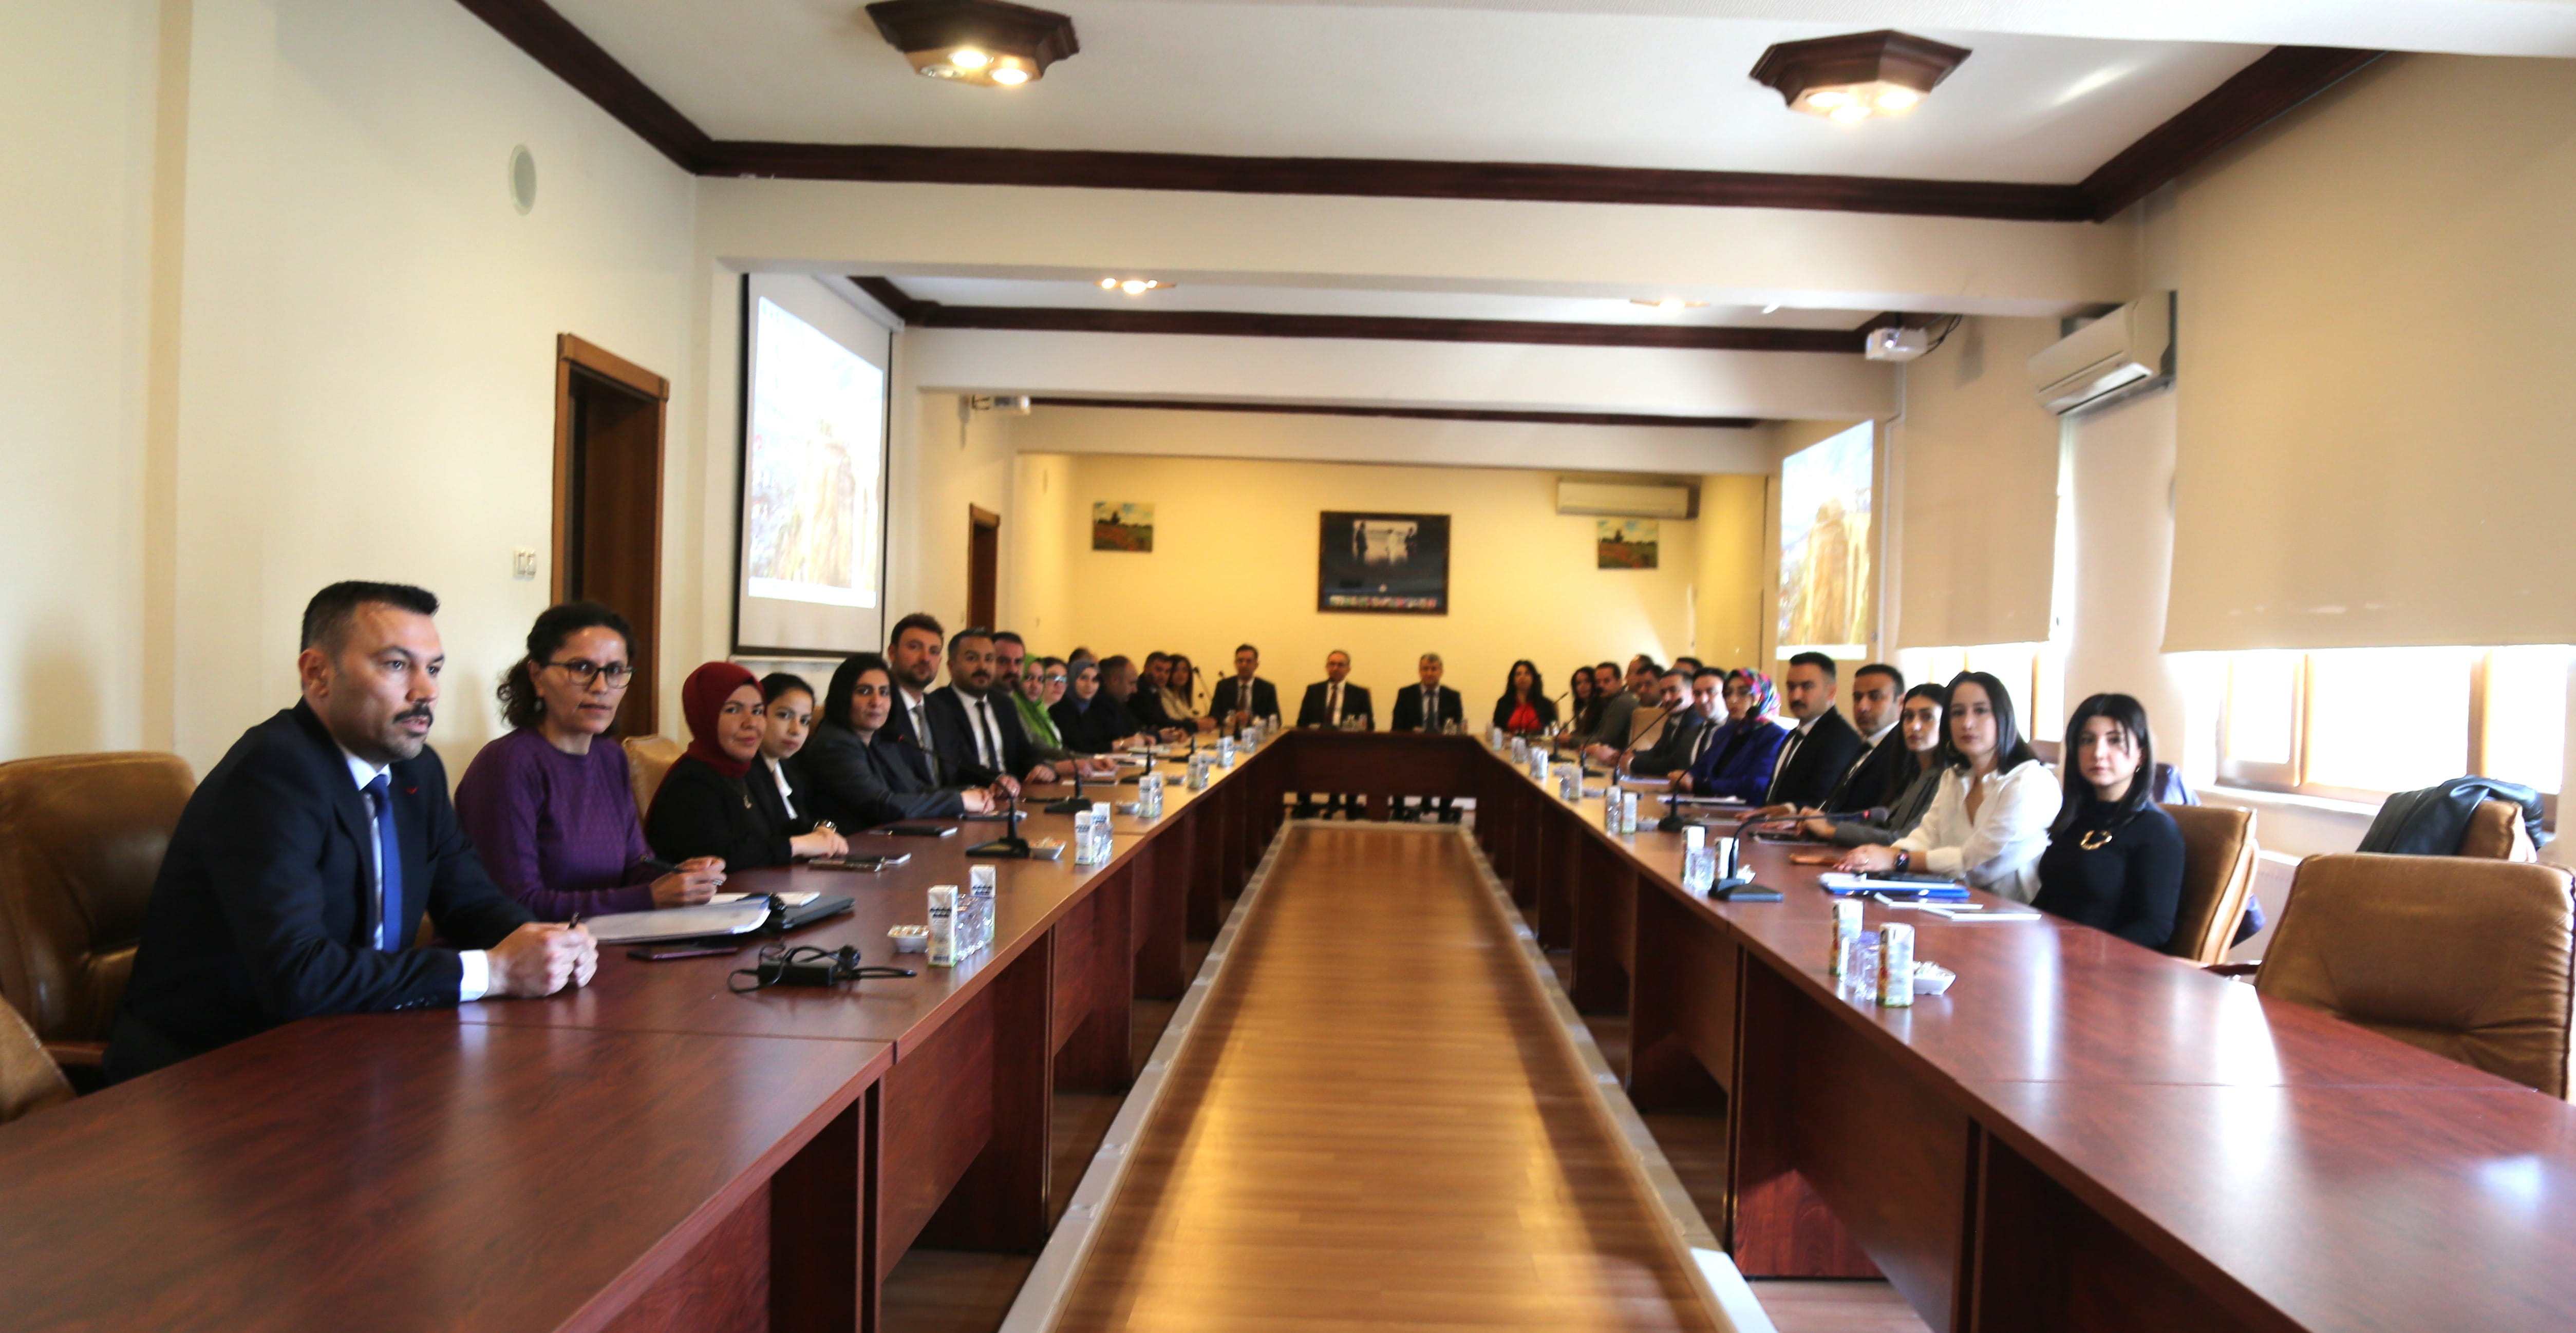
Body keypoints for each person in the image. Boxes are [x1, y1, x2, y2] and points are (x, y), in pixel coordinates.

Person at [106, 582, 594, 1082]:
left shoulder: (416, 769)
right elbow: (299, 976)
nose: (426, 691)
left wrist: (544, 944)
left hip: (355, 1045)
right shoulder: (271, 774)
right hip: (213, 1072)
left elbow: (469, 901)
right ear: (317, 674)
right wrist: (495, 971)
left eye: (433, 669)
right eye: (396, 665)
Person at [455, 600, 723, 918]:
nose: (601, 687)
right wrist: (648, 898)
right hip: (528, 944)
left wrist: (681, 878)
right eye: (581, 669)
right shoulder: (508, 763)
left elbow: (633, 867)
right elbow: (517, 904)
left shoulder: (611, 756)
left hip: (603, 938)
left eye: (615, 671)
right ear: (537, 676)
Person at [1834, 672, 2057, 902]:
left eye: (1981, 711)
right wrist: (1877, 856)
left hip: (2015, 912)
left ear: (2004, 717)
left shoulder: (2031, 781)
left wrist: (1898, 860)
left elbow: (1978, 864)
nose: (1967, 723)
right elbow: (1927, 836)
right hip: (1954, 903)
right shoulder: (1955, 777)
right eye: (1957, 713)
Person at [646, 662, 850, 868]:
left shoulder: (745, 769)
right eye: (733, 710)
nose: (751, 723)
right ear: (704, 715)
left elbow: (780, 827)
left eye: (758, 711)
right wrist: (797, 845)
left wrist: (821, 831)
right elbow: (720, 857)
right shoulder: (692, 781)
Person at [2033, 694, 2186, 949]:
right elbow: (2051, 900)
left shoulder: (2156, 829)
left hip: (2108, 964)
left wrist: (2089, 954)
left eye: (2115, 741)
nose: (2098, 753)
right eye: (2087, 740)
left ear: (2141, 755)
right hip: (2054, 955)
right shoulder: (2077, 817)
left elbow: (2155, 927)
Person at [796, 653, 998, 827]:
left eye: (884, 692)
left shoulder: (879, 738)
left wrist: (970, 792)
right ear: (843, 696)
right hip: (851, 848)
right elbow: (883, 805)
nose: (877, 702)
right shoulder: (835, 744)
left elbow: (914, 789)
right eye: (864, 691)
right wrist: (960, 801)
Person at [1803, 682, 1948, 846]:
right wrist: (1821, 822)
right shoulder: (1911, 773)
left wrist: (1830, 831)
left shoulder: (1947, 778)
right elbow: (1882, 827)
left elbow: (1906, 840)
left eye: (1927, 717)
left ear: (1947, 724)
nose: (1914, 726)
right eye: (1908, 716)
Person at [928, 626, 1059, 796]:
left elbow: (1024, 751)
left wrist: (1040, 768)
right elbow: (956, 763)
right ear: (952, 667)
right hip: (972, 797)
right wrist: (996, 779)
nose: (982, 667)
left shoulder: (1004, 704)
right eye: (972, 658)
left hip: (1012, 795)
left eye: (989, 659)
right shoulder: (938, 705)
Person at [1759, 652, 1865, 810]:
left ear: (1831, 692)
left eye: (1806, 687)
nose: (1796, 696)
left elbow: (1822, 802)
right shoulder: (1794, 734)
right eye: (1791, 687)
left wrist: (1785, 811)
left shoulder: (1840, 739)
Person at [877, 612, 964, 788]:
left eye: (934, 652)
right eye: (915, 647)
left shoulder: (941, 711)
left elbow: (960, 766)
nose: (925, 658)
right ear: (892, 653)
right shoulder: (879, 708)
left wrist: (997, 780)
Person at [1675, 670, 1789, 802]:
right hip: (1712, 806)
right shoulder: (1724, 733)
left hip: (1749, 810)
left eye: (1743, 693)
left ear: (1762, 696)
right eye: (1728, 693)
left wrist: (1702, 787)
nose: (1732, 700)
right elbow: (1699, 770)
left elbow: (1757, 785)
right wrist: (1682, 778)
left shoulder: (1775, 736)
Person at [1815, 663, 1911, 815]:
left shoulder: (1902, 751)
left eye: (1875, 697)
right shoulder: (1864, 745)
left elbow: (1880, 816)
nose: (1862, 707)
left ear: (1901, 703)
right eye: (1858, 698)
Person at [748, 672, 826, 840]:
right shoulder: (744, 775)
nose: (796, 730)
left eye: (805, 721)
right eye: (784, 715)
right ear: (758, 713)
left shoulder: (795, 769)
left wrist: (824, 829)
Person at [1390, 653, 1468, 821]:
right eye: (1425, 669)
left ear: (1441, 672)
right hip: (1412, 748)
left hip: (1443, 751)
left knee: (1454, 764)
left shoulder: (1452, 696)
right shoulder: (1406, 694)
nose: (1429, 673)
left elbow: (1457, 728)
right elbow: (1397, 726)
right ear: (1419, 671)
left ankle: (1444, 811)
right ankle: (1398, 810)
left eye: (1434, 669)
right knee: (1395, 761)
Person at [1620, 668, 1711, 776]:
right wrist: (1629, 755)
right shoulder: (1673, 718)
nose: (1667, 698)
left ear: (1692, 693)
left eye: (1673, 690)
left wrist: (1632, 763)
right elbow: (1657, 752)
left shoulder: (1694, 718)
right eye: (1663, 693)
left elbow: (1675, 764)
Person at [1054, 658, 1147, 753]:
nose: (1089, 685)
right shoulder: (1061, 708)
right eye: (1084, 678)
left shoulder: (1090, 709)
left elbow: (1101, 741)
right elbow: (1081, 749)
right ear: (1071, 679)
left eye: (1095, 680)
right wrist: (1121, 743)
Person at [1014, 655, 1075, 762]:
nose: (1059, 684)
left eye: (1064, 679)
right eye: (1053, 677)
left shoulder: (1045, 715)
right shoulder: (1016, 710)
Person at [1208, 643, 1282, 730]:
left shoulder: (1267, 688)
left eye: (1249, 661)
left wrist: (1252, 719)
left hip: (1256, 733)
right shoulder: (1223, 686)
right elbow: (1213, 716)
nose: (1244, 665)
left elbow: (1276, 720)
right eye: (1240, 661)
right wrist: (1229, 719)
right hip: (1230, 732)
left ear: (1256, 665)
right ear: (1235, 664)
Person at [1297, 650, 1375, 730]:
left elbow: (1369, 726)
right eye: (1332, 664)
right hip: (1317, 735)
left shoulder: (1360, 694)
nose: (1335, 668)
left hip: (1347, 737)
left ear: (1348, 669)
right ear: (1326, 667)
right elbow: (1302, 722)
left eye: (1340, 665)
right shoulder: (1313, 691)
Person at [1583, 661, 1640, 756]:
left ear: (1620, 682)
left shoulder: (1622, 702)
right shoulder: (1610, 701)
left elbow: (1605, 740)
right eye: (1598, 682)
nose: (1601, 686)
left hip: (1621, 759)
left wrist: (1571, 740)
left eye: (1606, 681)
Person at [1492, 659, 1557, 735]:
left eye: (1527, 673)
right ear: (1513, 679)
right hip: (1509, 742)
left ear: (1534, 678)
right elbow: (1496, 730)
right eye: (1518, 674)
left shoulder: (1546, 705)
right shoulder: (1503, 703)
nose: (1522, 677)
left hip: (1538, 742)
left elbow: (1553, 732)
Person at [1129, 651, 1187, 735]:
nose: (1163, 676)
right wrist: (1195, 726)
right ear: (1146, 668)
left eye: (1167, 672)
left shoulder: (1153, 690)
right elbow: (1158, 723)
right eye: (1159, 670)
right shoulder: (1139, 690)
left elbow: (1163, 719)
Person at [1160, 652, 1207, 732]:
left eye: (1185, 670)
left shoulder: (1182, 696)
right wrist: (1197, 722)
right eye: (1176, 670)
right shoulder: (1162, 694)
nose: (1181, 674)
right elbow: (1174, 719)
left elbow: (1187, 718)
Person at [1567, 667, 1600, 738]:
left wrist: (1571, 738)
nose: (1583, 686)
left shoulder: (1601, 706)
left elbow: (1592, 735)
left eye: (1587, 681)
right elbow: (1580, 732)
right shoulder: (1580, 707)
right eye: (1578, 683)